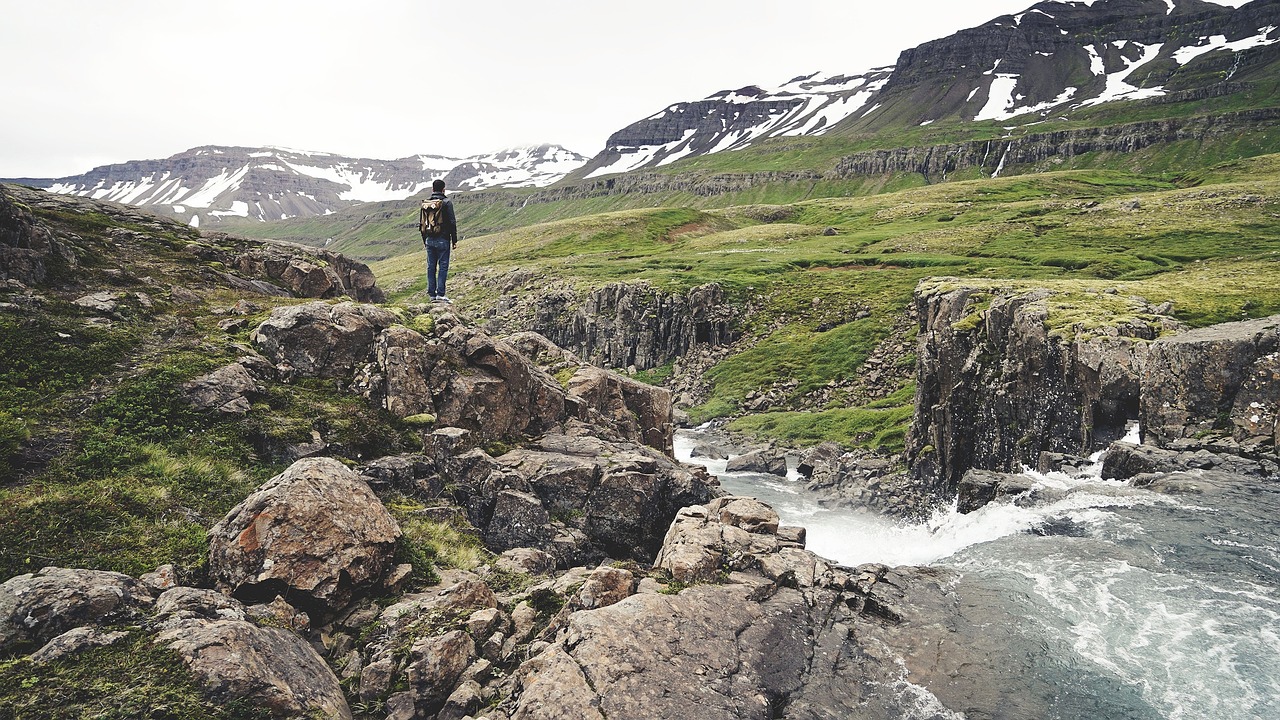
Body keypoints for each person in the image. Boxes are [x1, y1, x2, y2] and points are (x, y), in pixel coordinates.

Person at [421, 178, 458, 302]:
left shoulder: (426, 203)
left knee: (431, 267)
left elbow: (422, 223)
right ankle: (440, 294)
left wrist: (424, 240)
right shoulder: (446, 202)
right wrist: (454, 240)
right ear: (443, 189)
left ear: (432, 189)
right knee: (443, 266)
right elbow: (452, 222)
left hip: (429, 239)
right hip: (443, 239)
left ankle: (432, 295)